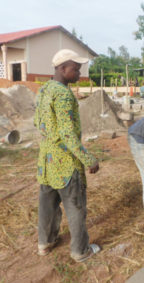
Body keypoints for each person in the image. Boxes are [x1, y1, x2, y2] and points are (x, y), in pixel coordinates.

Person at [34, 49, 101, 262]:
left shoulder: (44, 90)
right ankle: (80, 251)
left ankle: (45, 243)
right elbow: (67, 133)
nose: (79, 73)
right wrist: (88, 159)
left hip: (46, 162)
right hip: (66, 165)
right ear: (63, 69)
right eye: (76, 68)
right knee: (76, 208)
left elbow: (38, 123)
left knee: (47, 206)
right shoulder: (63, 94)